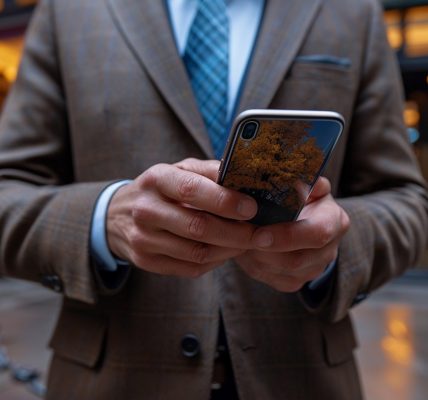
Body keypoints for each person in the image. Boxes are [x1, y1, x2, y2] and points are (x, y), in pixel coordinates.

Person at [0, 0, 426, 399]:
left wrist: (332, 248)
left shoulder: (351, 10)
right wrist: (104, 219)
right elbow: (7, 191)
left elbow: (407, 201)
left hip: (302, 379)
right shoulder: (67, 11)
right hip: (113, 381)